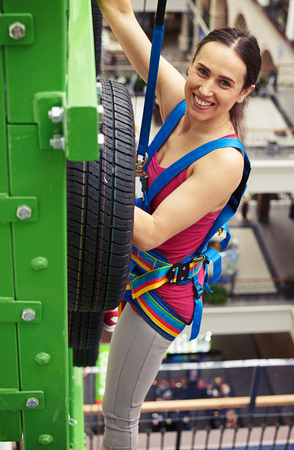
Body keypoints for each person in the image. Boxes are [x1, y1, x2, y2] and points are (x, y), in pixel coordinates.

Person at [97, 1, 261, 449]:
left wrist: (96, 176)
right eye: (200, 71)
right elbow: (122, 17)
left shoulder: (224, 161)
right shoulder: (180, 102)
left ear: (244, 93)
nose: (205, 89)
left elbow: (150, 232)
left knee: (118, 418)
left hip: (162, 295)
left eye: (225, 83)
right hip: (136, 268)